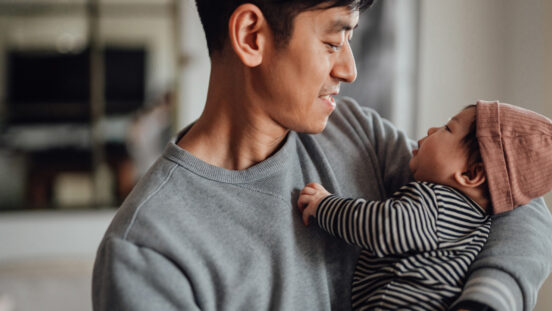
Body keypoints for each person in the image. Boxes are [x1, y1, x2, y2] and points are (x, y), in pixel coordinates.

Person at [92, 1, 552, 310]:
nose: (349, 69)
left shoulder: (356, 133)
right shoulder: (147, 250)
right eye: (333, 42)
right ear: (252, 36)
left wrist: (488, 300)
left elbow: (514, 196)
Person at [297, 100, 552, 310]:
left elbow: (386, 227)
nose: (431, 130)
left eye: (447, 129)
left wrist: (325, 206)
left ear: (471, 175)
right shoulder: (475, 220)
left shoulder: (438, 202)